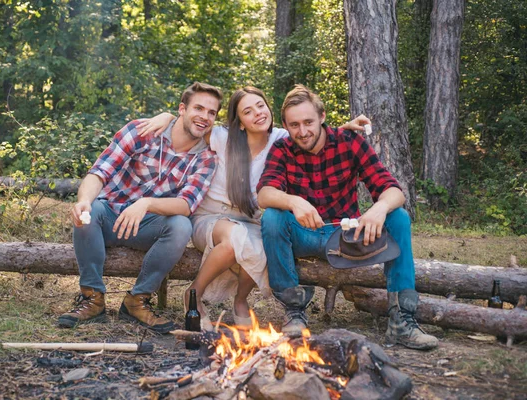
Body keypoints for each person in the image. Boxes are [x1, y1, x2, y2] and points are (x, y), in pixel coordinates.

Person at [139, 87, 365, 330]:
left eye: (260, 105)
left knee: (264, 242)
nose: (257, 113)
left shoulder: (281, 139)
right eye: (248, 111)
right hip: (210, 218)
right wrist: (167, 117)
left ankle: (240, 300)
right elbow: (190, 127)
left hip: (251, 219)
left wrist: (343, 129)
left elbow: (311, 134)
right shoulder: (222, 137)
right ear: (241, 123)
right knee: (235, 238)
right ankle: (193, 293)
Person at [257, 84, 438, 350]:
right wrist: (293, 201)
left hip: (347, 238)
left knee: (397, 217)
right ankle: (294, 313)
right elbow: (265, 194)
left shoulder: (349, 142)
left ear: (322, 116)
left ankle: (402, 321)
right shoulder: (282, 149)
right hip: (304, 235)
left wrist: (378, 208)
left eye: (308, 122)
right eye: (294, 125)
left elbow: (393, 190)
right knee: (272, 217)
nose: (303, 131)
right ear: (285, 124)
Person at [57, 82, 222, 333]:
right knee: (90, 212)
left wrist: (146, 204)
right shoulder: (142, 131)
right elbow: (99, 173)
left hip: (149, 225)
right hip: (110, 214)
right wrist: (83, 201)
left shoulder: (207, 157)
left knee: (181, 226)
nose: (205, 117)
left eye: (212, 113)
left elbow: (187, 204)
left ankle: (137, 300)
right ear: (181, 109)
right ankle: (92, 298)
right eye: (198, 108)